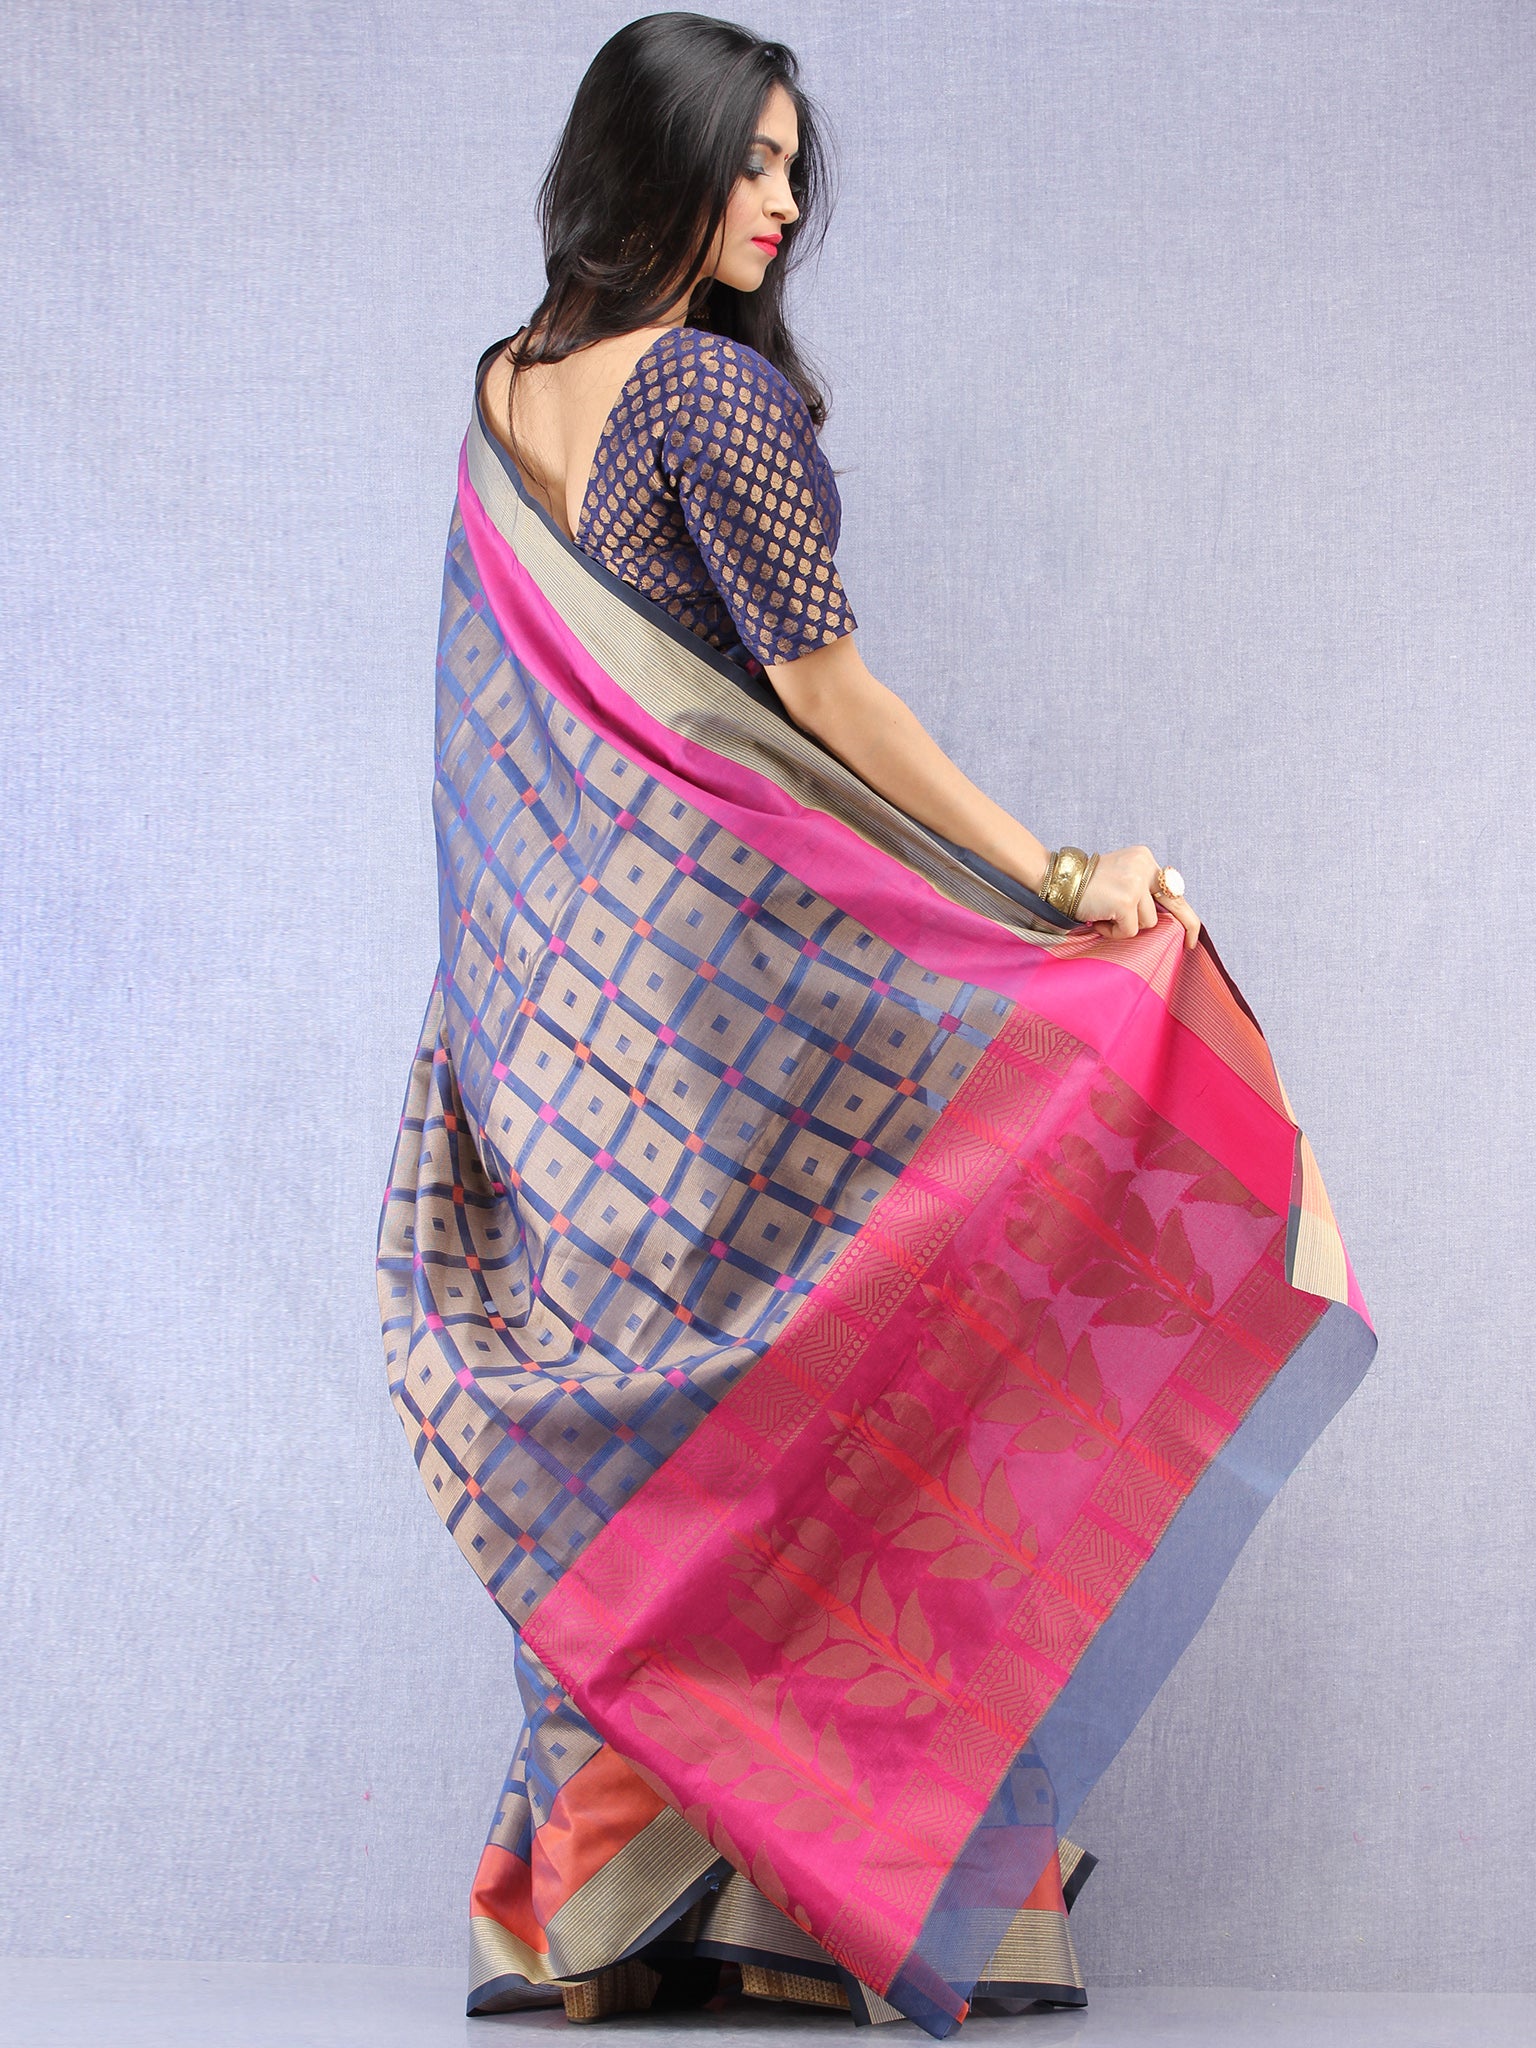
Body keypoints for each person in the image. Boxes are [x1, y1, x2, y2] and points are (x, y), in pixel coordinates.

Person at [376, 13, 1376, 2035]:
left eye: (791, 164)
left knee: (645, 1440)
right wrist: (1057, 876)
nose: (782, 201)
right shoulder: (702, 394)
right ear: (647, 161)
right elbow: (825, 701)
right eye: (745, 161)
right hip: (718, 1003)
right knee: (845, 1401)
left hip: (542, 1011)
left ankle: (604, 1908)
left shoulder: (504, 388)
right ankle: (826, 1888)